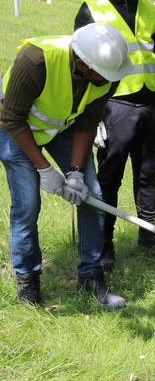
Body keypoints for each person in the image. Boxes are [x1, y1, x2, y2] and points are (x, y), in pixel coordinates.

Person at [0, 23, 131, 309]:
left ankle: (90, 277)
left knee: (92, 196)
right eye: (102, 76)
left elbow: (86, 122)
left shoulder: (107, 73)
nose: (108, 81)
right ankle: (28, 281)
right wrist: (44, 169)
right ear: (83, 63)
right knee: (28, 203)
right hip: (14, 128)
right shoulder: (35, 61)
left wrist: (75, 172)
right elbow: (10, 118)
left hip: (62, 127)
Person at [74, 0, 155, 270]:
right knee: (109, 179)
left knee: (147, 175)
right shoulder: (91, 7)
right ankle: (105, 247)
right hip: (114, 107)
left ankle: (148, 236)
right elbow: (82, 65)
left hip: (149, 106)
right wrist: (94, 117)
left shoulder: (149, 9)